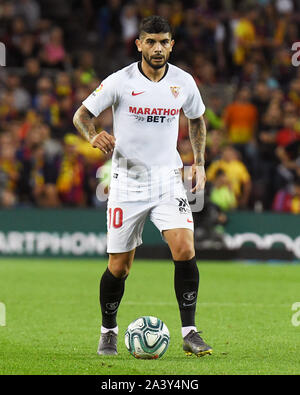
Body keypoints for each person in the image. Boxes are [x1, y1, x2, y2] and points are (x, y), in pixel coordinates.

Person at [73, 15, 212, 357]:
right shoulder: (120, 81)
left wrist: (199, 162)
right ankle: (108, 331)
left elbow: (196, 120)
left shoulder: (183, 82)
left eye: (164, 41)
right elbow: (81, 116)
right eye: (150, 41)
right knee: (119, 267)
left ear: (171, 45)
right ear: (139, 44)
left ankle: (190, 332)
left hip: (168, 181)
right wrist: (93, 136)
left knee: (185, 248)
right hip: (126, 184)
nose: (157, 48)